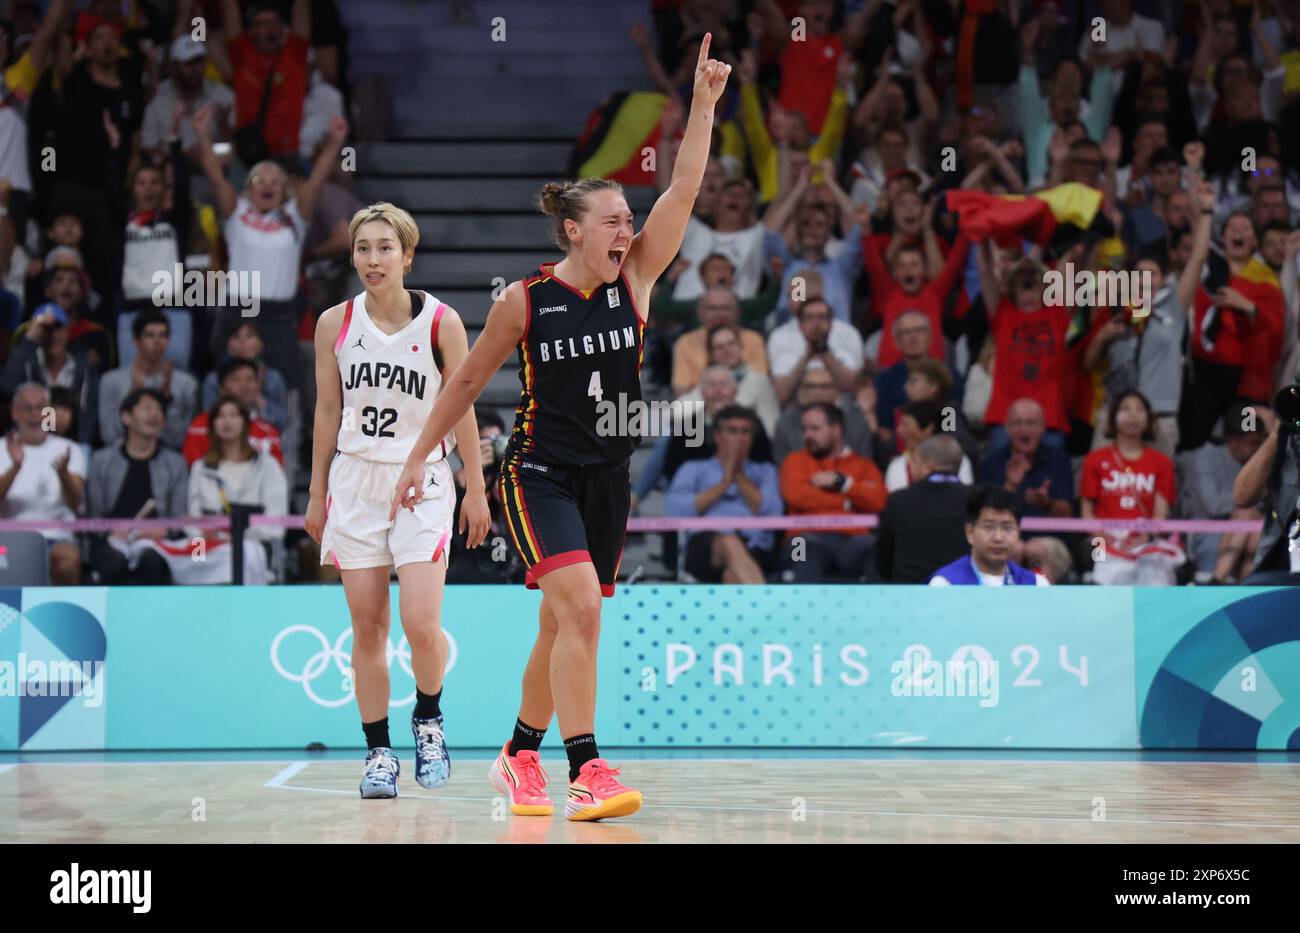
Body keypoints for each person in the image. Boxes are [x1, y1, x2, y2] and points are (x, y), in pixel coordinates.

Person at [390, 36, 731, 821]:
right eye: (612, 219)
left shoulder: (636, 277)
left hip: (606, 474)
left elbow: (682, 186)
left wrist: (704, 107)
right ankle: (588, 767)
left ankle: (517, 756)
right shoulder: (525, 299)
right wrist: (421, 455)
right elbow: (468, 379)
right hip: (536, 471)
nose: (627, 227)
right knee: (581, 608)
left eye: (628, 218)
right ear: (573, 231)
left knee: (559, 622)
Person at [304, 202, 490, 798]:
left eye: (385, 247)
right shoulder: (334, 323)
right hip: (355, 480)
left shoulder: (442, 322)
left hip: (424, 483)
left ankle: (429, 722)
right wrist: (315, 493)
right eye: (363, 248)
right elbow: (327, 410)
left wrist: (475, 486)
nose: (372, 259)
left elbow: (460, 405)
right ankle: (378, 752)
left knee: (420, 622)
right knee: (367, 627)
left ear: (407, 256)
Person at [667, 404, 782, 584]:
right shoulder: (693, 469)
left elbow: (773, 512)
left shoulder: (765, 472)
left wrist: (739, 475)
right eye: (733, 431)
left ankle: (757, 607)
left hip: (755, 544)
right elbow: (676, 512)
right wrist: (724, 484)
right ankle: (765, 603)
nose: (740, 438)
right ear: (717, 436)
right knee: (728, 542)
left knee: (733, 576)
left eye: (746, 432)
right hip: (704, 545)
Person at [1080, 391, 1183, 585]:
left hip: (1145, 536)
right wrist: (1104, 537)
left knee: (1154, 573)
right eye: (1125, 409)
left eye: (1140, 410)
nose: (1133, 415)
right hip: (1102, 538)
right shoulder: (1094, 460)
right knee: (1103, 568)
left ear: (1148, 419)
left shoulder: (1162, 463)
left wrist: (1143, 537)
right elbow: (1086, 513)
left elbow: (1159, 515)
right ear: (1113, 418)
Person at [778, 402, 885, 583]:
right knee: (803, 555)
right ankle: (800, 611)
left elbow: (880, 502)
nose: (807, 435)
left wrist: (842, 482)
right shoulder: (795, 461)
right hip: (803, 537)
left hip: (855, 538)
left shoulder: (864, 466)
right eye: (805, 429)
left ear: (836, 429)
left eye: (815, 428)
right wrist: (847, 503)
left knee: (879, 552)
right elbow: (796, 496)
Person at [187, 395, 288, 582]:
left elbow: (276, 522)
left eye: (234, 415)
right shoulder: (200, 468)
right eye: (220, 416)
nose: (227, 421)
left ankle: (241, 608)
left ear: (245, 422)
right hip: (207, 542)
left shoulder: (267, 465)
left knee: (244, 556)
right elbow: (192, 519)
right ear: (212, 425)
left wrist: (238, 536)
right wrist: (207, 536)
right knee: (193, 557)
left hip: (253, 542)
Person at [0, 383, 85, 584]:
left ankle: (62, 614)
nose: (35, 414)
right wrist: (15, 468)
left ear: (50, 413)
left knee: (68, 562)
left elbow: (76, 504)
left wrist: (64, 475)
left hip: (57, 538)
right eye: (27, 408)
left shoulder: (69, 449)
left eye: (41, 408)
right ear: (14, 413)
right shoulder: (1, 448)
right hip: (9, 541)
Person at [874, 435, 971, 583]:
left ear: (928, 465)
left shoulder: (899, 500)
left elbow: (883, 560)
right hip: (966, 592)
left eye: (914, 460)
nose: (910, 466)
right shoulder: (977, 500)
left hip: (910, 595)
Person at [98, 309, 198, 450]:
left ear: (168, 341)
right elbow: (109, 436)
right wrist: (131, 402)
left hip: (169, 460)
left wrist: (167, 400)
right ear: (135, 340)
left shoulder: (186, 383)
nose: (157, 342)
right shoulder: (111, 381)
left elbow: (180, 440)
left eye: (162, 336)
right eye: (149, 335)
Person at [1233, 395, 1300, 585]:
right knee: (1254, 588)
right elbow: (1242, 497)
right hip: (1284, 569)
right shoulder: (1290, 446)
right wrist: (1276, 435)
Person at [929, 486, 1049, 586]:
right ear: (969, 532)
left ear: (1018, 533)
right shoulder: (945, 584)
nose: (998, 538)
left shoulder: (1036, 585)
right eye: (988, 527)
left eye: (1007, 528)